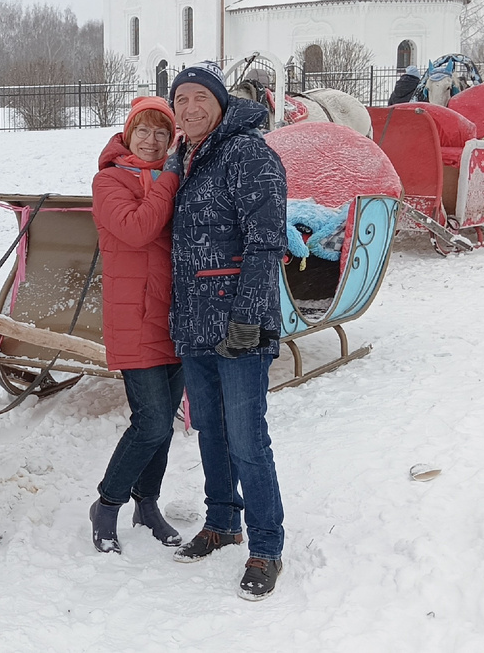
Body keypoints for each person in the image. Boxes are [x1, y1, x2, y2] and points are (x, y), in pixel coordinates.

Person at [166, 61, 288, 601]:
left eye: (200, 98)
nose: (189, 108)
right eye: (181, 99)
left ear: (220, 103)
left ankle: (265, 546)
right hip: (195, 321)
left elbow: (266, 241)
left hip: (239, 322)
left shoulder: (248, 153)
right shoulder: (186, 155)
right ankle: (222, 522)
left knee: (246, 439)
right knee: (210, 432)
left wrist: (249, 316)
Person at [87, 97, 185, 554]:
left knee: (164, 424)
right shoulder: (109, 181)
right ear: (127, 134)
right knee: (151, 422)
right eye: (143, 131)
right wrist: (168, 180)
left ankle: (148, 504)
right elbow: (137, 230)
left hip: (174, 316)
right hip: (134, 317)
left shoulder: (176, 177)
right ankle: (107, 504)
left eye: (162, 133)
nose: (152, 140)